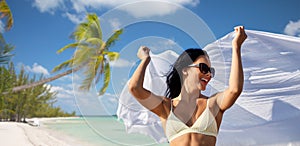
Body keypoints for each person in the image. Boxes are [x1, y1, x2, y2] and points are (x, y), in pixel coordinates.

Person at [128, 26, 247, 146]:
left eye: (211, 71)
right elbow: (135, 88)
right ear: (185, 70)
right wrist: (145, 59)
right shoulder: (166, 106)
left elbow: (234, 89)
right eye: (204, 68)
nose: (209, 74)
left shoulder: (213, 104)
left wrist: (236, 47)